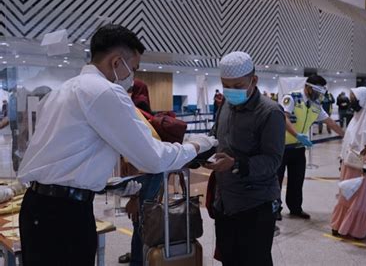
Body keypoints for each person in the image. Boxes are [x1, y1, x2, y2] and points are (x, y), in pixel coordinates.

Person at [17, 24, 217, 266]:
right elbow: (152, 158)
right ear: (116, 62)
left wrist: (105, 184)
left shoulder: (63, 90)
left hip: (39, 207)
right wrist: (196, 146)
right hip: (63, 214)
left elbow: (68, 153)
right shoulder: (104, 91)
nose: (132, 78)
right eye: (132, 69)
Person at [204, 51, 285, 266]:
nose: (231, 91)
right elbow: (216, 136)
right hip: (225, 203)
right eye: (225, 85)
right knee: (229, 260)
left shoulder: (271, 112)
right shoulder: (225, 106)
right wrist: (201, 150)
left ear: (254, 80)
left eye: (238, 86)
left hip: (255, 206)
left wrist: (236, 164)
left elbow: (272, 161)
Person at [277, 75, 344, 220]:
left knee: (297, 179)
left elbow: (330, 122)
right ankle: (275, 210)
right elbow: (284, 117)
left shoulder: (315, 105)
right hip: (281, 147)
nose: (319, 95)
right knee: (276, 180)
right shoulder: (292, 98)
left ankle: (295, 208)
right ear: (307, 87)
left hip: (299, 148)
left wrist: (346, 135)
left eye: (321, 93)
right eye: (317, 91)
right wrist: (297, 134)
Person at [331, 87, 366, 240]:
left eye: (353, 98)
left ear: (363, 99)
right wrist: (342, 159)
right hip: (349, 163)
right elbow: (347, 140)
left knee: (360, 199)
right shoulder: (356, 117)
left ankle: (356, 229)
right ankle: (340, 224)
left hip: (364, 168)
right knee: (345, 196)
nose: (351, 102)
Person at [119, 79, 162, 265]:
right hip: (152, 171)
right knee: (143, 220)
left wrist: (135, 198)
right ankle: (139, 256)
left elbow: (134, 160)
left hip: (146, 174)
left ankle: (139, 259)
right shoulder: (140, 110)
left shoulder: (132, 112)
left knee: (141, 220)